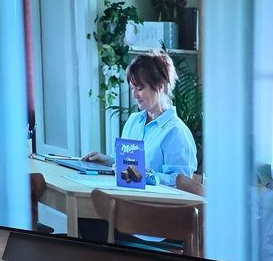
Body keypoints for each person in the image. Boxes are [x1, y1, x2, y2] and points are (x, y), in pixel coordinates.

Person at [82, 50, 197, 187]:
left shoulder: (176, 131)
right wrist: (107, 161)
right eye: (132, 88)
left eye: (140, 88)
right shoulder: (133, 121)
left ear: (160, 86)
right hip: (127, 194)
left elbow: (183, 184)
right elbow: (126, 163)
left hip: (154, 200)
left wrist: (146, 175)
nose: (134, 95)